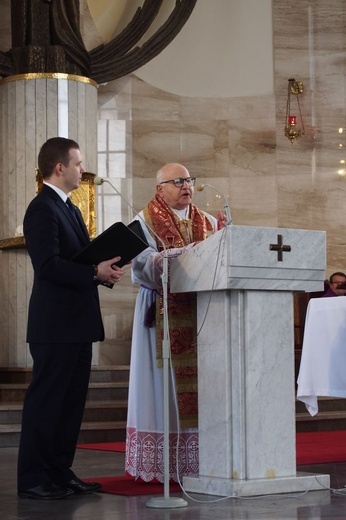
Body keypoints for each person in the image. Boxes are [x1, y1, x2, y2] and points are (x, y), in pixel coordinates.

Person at [17, 137, 126, 500]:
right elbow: (47, 266)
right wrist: (94, 272)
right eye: (78, 164)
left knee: (70, 404)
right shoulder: (41, 208)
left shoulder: (71, 209)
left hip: (77, 323)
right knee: (47, 402)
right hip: (55, 325)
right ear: (59, 167)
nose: (83, 169)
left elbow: (79, 262)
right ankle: (33, 478)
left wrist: (104, 269)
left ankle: (60, 472)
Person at [125, 163, 226, 483]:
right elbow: (139, 267)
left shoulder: (209, 222)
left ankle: (202, 459)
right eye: (178, 181)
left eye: (189, 180)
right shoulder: (143, 221)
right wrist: (168, 258)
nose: (186, 185)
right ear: (160, 189)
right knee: (163, 384)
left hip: (203, 314)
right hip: (163, 311)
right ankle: (168, 464)